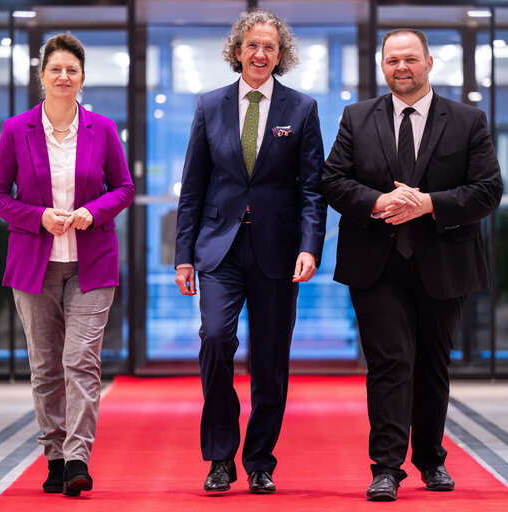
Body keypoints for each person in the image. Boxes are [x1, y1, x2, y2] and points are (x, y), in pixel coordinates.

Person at [321, 29, 503, 501]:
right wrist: (380, 199)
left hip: (444, 260)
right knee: (389, 362)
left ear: (428, 63)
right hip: (375, 264)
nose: (401, 67)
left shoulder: (467, 120)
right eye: (392, 60)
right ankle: (386, 467)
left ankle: (431, 459)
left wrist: (427, 203)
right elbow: (333, 181)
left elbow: (488, 190)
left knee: (432, 364)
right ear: (383, 66)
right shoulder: (357, 118)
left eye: (410, 59)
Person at [174, 8, 326, 495]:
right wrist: (183, 255)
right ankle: (220, 457)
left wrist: (310, 247)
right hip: (219, 250)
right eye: (252, 45)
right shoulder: (209, 105)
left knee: (270, 360)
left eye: (271, 47)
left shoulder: (301, 109)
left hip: (279, 253)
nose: (261, 54)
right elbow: (192, 189)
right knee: (215, 340)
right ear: (237, 51)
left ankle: (260, 458)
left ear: (281, 57)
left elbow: (312, 190)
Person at [0, 32, 134, 497]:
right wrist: (38, 217)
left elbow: (123, 188)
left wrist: (93, 211)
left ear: (83, 79)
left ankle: (77, 459)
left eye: (72, 70)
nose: (63, 76)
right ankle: (52, 453)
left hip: (92, 263)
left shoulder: (103, 129)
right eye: (55, 70)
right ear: (41, 77)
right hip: (35, 265)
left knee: (81, 362)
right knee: (47, 366)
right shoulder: (15, 130)